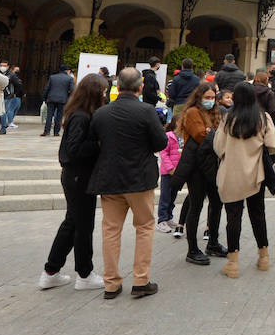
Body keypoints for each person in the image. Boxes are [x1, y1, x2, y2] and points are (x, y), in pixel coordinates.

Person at [85, 68, 166, 300]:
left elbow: (94, 141)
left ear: (117, 87)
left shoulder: (102, 113)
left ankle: (111, 283)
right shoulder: (147, 111)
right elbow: (160, 142)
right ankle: (141, 280)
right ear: (141, 87)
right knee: (144, 228)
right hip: (140, 180)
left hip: (110, 180)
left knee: (111, 230)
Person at [40, 73, 108, 292]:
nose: (105, 95)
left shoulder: (80, 114)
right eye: (103, 91)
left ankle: (51, 271)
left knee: (73, 223)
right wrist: (98, 144)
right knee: (82, 225)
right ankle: (84, 274)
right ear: (94, 93)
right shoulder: (81, 117)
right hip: (79, 176)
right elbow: (74, 150)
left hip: (77, 175)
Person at [212, 82, 275, 278]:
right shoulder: (263, 117)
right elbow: (273, 144)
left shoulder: (228, 119)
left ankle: (233, 263)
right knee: (258, 215)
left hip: (232, 175)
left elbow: (219, 147)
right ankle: (263, 257)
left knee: (233, 218)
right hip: (255, 175)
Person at [179, 82, 225, 263]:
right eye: (207, 98)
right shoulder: (192, 112)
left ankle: (213, 242)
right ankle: (192, 249)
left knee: (216, 203)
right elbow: (200, 135)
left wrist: (211, 132)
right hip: (196, 165)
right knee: (196, 205)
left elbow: (217, 134)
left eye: (213, 98)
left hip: (213, 164)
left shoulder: (215, 112)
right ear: (199, 97)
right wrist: (213, 133)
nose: (211, 101)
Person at [155, 114, 183, 233]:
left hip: (179, 171)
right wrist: (170, 168)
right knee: (165, 196)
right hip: (168, 172)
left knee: (173, 196)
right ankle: (162, 220)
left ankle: (169, 217)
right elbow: (163, 153)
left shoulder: (184, 136)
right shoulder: (168, 136)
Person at [42, 66, 75, 136]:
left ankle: (46, 131)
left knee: (49, 115)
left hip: (51, 98)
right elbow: (72, 90)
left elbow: (47, 88)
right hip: (62, 99)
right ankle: (56, 132)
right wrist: (69, 97)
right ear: (67, 71)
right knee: (59, 116)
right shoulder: (70, 78)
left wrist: (45, 98)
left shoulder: (52, 77)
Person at [0, 61, 23, 133]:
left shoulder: (11, 75)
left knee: (3, 111)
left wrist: (13, 93)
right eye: (1, 65)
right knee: (1, 111)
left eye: (4, 65)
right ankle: (4, 125)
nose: (2, 67)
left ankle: (3, 127)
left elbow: (18, 84)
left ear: (8, 66)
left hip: (7, 96)